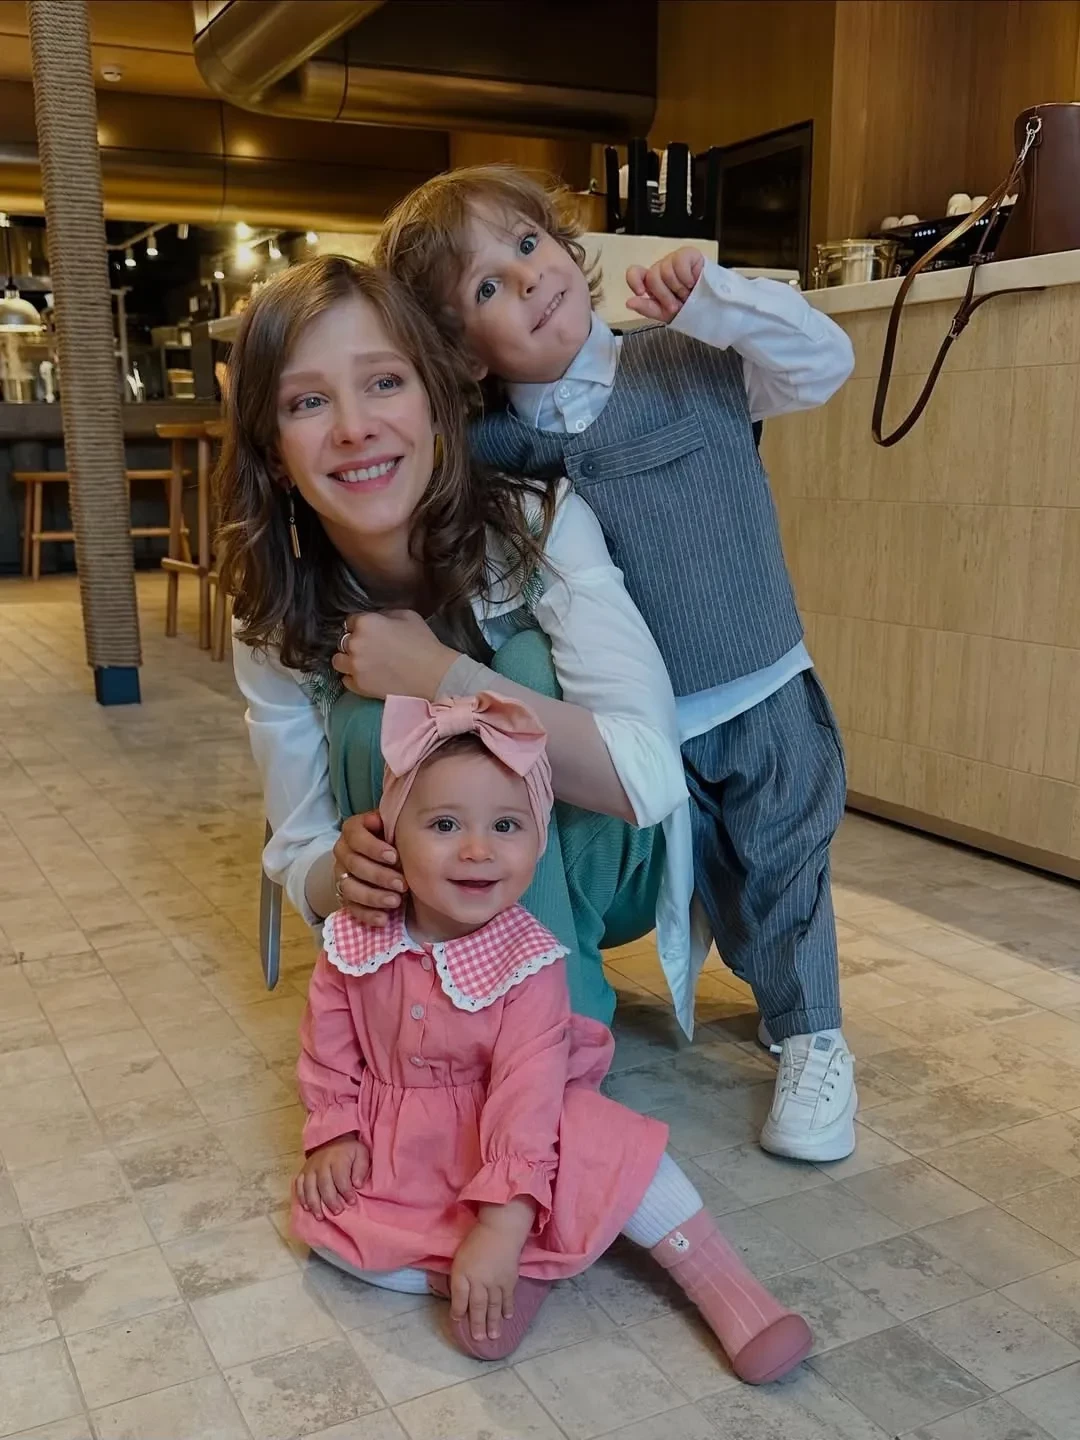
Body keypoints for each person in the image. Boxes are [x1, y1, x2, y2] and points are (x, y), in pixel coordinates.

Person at [375, 165, 858, 1163]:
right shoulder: (490, 442)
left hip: (761, 684)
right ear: (461, 347)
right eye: (486, 287)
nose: (527, 279)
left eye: (528, 245)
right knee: (713, 880)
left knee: (783, 866)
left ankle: (814, 1032)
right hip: (636, 727)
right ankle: (589, 1002)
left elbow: (824, 365)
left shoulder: (690, 355)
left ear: (565, 243)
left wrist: (721, 301)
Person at [217, 254, 690, 1028]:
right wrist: (344, 871)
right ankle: (490, 1032)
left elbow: (649, 777)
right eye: (308, 402)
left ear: (437, 403)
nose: (353, 428)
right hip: (430, 890)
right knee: (369, 716)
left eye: (384, 382)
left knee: (525, 664)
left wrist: (442, 676)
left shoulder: (537, 525)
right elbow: (300, 855)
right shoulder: (274, 610)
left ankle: (550, 1040)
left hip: (615, 864)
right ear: (274, 450)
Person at [293, 689, 813, 1383]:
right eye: (444, 824)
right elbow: (329, 1045)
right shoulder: (356, 939)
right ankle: (502, 1273)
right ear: (391, 837)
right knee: (334, 1237)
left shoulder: (529, 964)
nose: (477, 850)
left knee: (611, 1144)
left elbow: (526, 1098)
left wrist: (501, 1224)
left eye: (507, 826)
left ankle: (722, 1283)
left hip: (521, 1130)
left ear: (538, 842)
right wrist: (336, 1130)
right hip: (406, 1143)